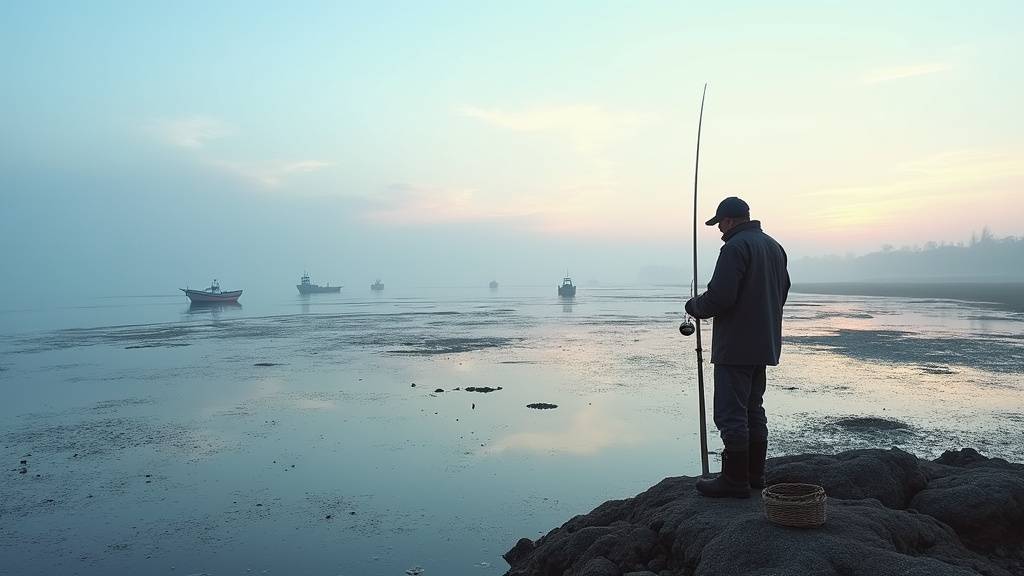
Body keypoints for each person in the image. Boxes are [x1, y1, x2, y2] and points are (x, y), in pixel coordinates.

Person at [685, 196, 790, 498]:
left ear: (729, 220)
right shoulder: (774, 246)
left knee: (731, 413)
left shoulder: (734, 248)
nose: (719, 231)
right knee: (753, 409)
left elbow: (721, 297)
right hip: (764, 343)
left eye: (720, 224)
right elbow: (781, 292)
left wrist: (694, 306)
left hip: (736, 346)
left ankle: (734, 481)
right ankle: (755, 475)